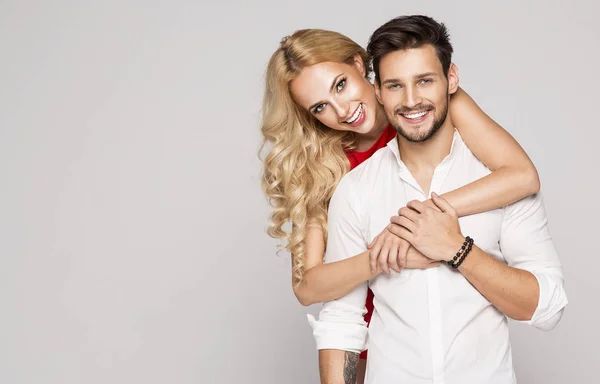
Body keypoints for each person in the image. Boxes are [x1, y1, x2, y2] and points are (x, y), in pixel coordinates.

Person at [261, 27, 540, 383]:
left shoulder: (426, 107)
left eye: (340, 85)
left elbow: (521, 176)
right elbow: (307, 286)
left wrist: (415, 220)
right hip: (370, 328)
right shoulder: (321, 166)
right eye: (320, 107)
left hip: (449, 316)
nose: (342, 110)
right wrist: (389, 254)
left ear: (359, 65)